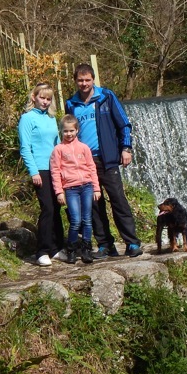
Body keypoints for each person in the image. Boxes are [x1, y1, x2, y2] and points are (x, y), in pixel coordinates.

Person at [64, 64, 142, 258]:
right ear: (76, 81)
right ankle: (105, 245)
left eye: (87, 80)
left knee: (118, 200)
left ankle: (132, 243)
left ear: (93, 80)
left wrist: (126, 148)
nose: (84, 83)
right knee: (93, 205)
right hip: (84, 163)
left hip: (107, 159)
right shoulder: (71, 104)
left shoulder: (106, 97)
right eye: (80, 80)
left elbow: (123, 123)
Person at [18, 82, 64, 266]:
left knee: (57, 208)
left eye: (48, 99)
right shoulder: (27, 118)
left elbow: (58, 144)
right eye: (42, 97)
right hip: (40, 170)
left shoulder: (51, 118)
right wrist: (33, 171)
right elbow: (25, 147)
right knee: (48, 208)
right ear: (34, 97)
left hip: (54, 169)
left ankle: (56, 248)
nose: (45, 102)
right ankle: (42, 251)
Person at [50, 115, 102, 264]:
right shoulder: (58, 150)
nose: (69, 134)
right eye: (66, 131)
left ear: (77, 130)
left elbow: (91, 168)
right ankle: (71, 250)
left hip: (87, 186)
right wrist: (59, 192)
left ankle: (86, 250)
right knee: (75, 220)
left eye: (72, 130)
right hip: (70, 188)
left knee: (87, 220)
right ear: (61, 131)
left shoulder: (84, 148)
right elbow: (55, 171)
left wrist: (96, 188)